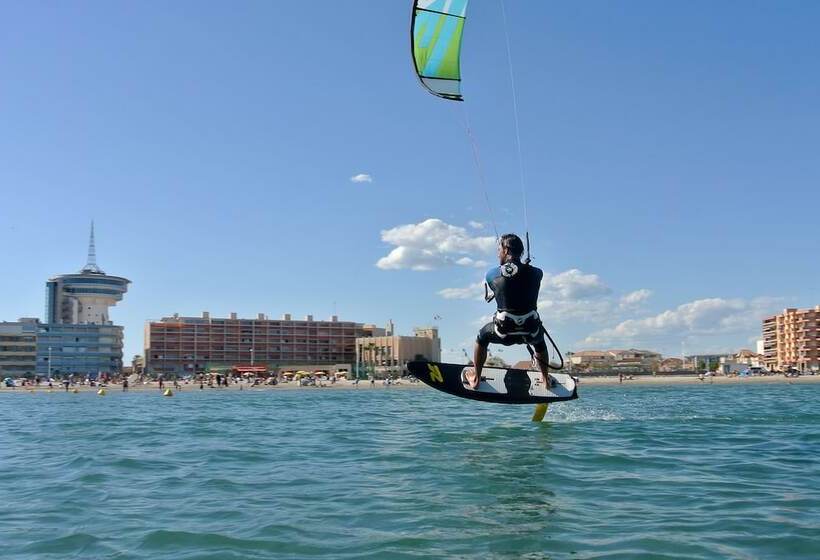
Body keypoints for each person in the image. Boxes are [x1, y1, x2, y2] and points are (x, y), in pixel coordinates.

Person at [466, 233, 554, 390]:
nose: (498, 253)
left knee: (482, 337)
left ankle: (476, 378)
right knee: (539, 343)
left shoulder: (491, 274)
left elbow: (503, 283)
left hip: (503, 332)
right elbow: (524, 278)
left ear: (506, 250)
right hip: (529, 332)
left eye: (499, 249)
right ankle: (545, 380)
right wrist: (524, 267)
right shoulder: (537, 273)